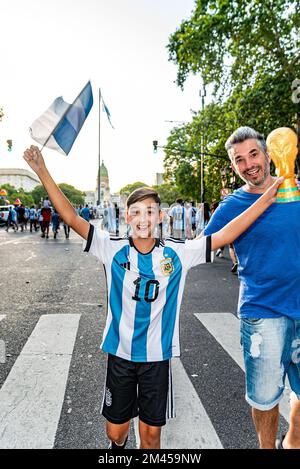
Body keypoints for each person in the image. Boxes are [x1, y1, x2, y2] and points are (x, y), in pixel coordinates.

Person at [23, 144, 282, 450]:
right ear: (127, 217)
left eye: (149, 211)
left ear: (160, 215)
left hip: (157, 360)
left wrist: (265, 199)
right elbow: (69, 215)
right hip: (119, 355)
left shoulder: (179, 252)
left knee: (151, 437)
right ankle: (117, 447)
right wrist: (42, 170)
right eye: (136, 212)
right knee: (116, 433)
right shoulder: (111, 248)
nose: (143, 218)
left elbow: (225, 235)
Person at [204, 126, 300, 449]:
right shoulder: (232, 206)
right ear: (234, 167)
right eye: (239, 160)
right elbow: (201, 247)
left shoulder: (297, 192)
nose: (248, 164)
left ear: (268, 154)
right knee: (264, 397)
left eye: (253, 154)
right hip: (263, 315)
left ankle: (294, 440)